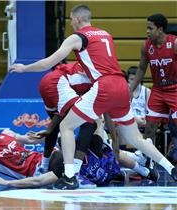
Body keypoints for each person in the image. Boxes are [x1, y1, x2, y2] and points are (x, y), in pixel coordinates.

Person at [9, 4, 177, 189]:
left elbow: (49, 62)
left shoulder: (77, 37)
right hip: (121, 85)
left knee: (66, 125)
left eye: (72, 19)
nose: (72, 23)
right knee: (136, 138)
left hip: (104, 85)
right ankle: (171, 169)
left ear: (78, 19)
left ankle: (70, 176)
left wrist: (24, 68)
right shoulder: (105, 34)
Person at [0, 118, 159, 188]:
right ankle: (140, 165)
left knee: (108, 147)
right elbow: (37, 180)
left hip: (103, 175)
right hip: (107, 168)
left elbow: (38, 181)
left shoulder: (66, 167)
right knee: (108, 147)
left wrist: (7, 183)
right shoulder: (83, 152)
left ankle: (138, 165)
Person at [129, 14, 177, 163]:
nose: (147, 31)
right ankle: (145, 158)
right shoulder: (146, 46)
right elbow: (142, 69)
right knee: (149, 126)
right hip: (158, 89)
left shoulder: (174, 43)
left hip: (175, 88)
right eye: (147, 28)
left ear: (160, 29)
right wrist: (130, 90)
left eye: (150, 28)